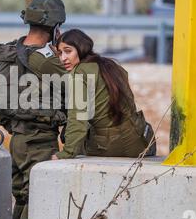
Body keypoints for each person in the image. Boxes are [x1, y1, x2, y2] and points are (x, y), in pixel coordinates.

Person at [0, 0, 68, 219]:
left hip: (16, 140)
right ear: (55, 27)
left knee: (22, 199)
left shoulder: (6, 53)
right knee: (36, 202)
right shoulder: (47, 61)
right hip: (41, 141)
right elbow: (76, 90)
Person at [52, 29, 156, 160]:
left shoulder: (78, 74)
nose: (63, 58)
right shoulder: (110, 65)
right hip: (139, 142)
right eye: (59, 53)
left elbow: (78, 118)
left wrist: (66, 153)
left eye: (68, 51)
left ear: (81, 48)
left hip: (110, 145)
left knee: (69, 136)